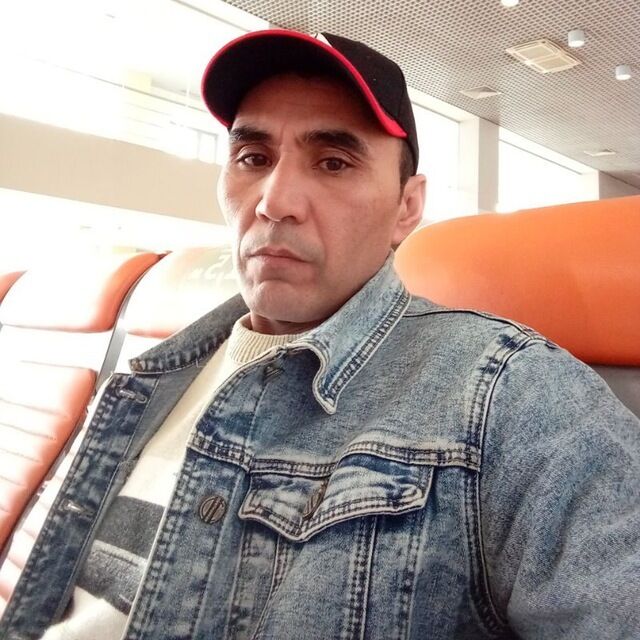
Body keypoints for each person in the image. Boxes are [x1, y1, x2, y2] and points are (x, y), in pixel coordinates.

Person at [1, 29, 639, 640]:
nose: (273, 201)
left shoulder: (511, 396)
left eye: (334, 162)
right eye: (253, 158)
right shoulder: (148, 376)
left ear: (407, 207)